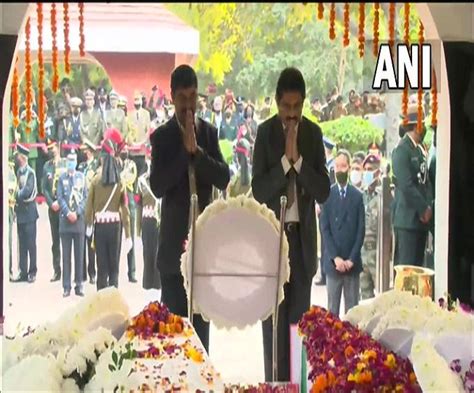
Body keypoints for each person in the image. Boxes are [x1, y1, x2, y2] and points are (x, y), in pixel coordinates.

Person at [251, 67, 330, 381]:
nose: (292, 115)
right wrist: (285, 162)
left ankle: (298, 386)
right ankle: (274, 386)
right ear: (276, 102)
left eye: (297, 107)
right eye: (286, 107)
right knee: (273, 328)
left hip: (301, 244)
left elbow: (323, 190)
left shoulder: (313, 134)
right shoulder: (264, 133)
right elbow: (258, 190)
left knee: (300, 330)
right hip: (271, 243)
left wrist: (299, 160)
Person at [150, 64, 230, 354]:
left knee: (200, 340)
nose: (188, 104)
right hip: (173, 254)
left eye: (192, 97)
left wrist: (198, 153)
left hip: (203, 253)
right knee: (173, 340)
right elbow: (157, 186)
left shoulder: (208, 133)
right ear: (172, 98)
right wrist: (184, 153)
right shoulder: (162, 137)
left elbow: (223, 176)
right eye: (182, 97)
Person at [85, 129, 132, 290]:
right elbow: (125, 209)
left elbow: (88, 206)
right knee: (114, 268)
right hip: (115, 227)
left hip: (100, 227)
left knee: (102, 268)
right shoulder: (119, 182)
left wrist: (89, 225)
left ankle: (101, 301)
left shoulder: (95, 180)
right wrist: (128, 234)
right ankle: (114, 300)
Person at [320, 149, 365, 316]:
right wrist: (336, 258)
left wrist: (351, 259)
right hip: (333, 264)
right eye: (337, 166)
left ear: (349, 167)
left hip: (352, 264)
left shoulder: (357, 196)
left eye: (343, 166)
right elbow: (325, 229)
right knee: (332, 313)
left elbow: (361, 231)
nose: (340, 169)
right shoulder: (327, 195)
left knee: (353, 313)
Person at [392, 105, 433, 266]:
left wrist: (428, 206)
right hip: (407, 221)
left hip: (420, 222)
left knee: (418, 271)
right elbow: (406, 184)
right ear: (416, 126)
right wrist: (423, 208)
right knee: (407, 270)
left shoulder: (419, 150)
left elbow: (425, 181)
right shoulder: (401, 150)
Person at [57, 153, 87, 297]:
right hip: (65, 222)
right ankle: (66, 286)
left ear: (76, 162)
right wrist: (68, 212)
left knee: (79, 255)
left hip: (78, 221)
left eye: (73, 160)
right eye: (69, 161)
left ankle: (79, 284)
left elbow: (85, 198)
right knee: (66, 256)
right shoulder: (62, 178)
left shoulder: (81, 177)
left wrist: (77, 212)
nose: (71, 163)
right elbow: (60, 197)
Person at [12, 144, 39, 283]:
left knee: (30, 243)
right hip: (22, 213)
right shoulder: (18, 172)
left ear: (23, 157)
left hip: (30, 213)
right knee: (21, 244)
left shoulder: (30, 173)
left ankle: (32, 271)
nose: (16, 158)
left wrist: (14, 194)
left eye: (18, 155)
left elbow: (27, 191)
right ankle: (23, 271)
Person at [137, 150, 162, 290]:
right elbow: (139, 205)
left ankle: (157, 282)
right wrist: (137, 228)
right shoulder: (141, 181)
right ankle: (147, 282)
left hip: (159, 219)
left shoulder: (163, 178)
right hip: (147, 219)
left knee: (158, 250)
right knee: (148, 251)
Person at [78, 139, 100, 284]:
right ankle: (82, 273)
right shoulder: (82, 167)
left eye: (86, 150)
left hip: (92, 207)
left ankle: (92, 272)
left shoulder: (97, 167)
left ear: (90, 151)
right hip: (82, 206)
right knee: (81, 242)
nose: (84, 153)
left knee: (91, 243)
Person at [360, 154, 381, 300]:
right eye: (366, 169)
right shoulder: (361, 195)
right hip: (362, 253)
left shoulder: (384, 195)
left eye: (371, 169)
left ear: (378, 172)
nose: (367, 172)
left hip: (378, 253)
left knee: (380, 297)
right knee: (365, 297)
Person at [41, 141, 63, 282]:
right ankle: (57, 270)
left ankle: (67, 270)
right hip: (52, 208)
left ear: (59, 147)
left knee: (66, 240)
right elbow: (44, 188)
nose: (51, 151)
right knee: (55, 241)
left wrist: (61, 203)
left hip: (63, 207)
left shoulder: (65, 164)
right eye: (49, 149)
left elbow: (67, 185)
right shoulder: (47, 166)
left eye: (53, 148)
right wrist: (51, 203)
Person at [119, 147, 138, 283]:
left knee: (130, 237)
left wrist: (121, 178)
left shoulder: (131, 164)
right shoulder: (115, 164)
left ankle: (131, 272)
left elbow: (130, 179)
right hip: (117, 200)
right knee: (115, 240)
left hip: (129, 198)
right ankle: (115, 272)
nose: (124, 151)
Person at [127, 91, 151, 177]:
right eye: (135, 100)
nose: (136, 102)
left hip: (142, 150)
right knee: (132, 175)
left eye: (138, 100)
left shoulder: (146, 114)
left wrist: (141, 143)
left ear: (141, 101)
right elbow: (127, 131)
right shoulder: (129, 115)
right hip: (132, 151)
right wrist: (132, 143)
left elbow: (148, 131)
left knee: (142, 175)